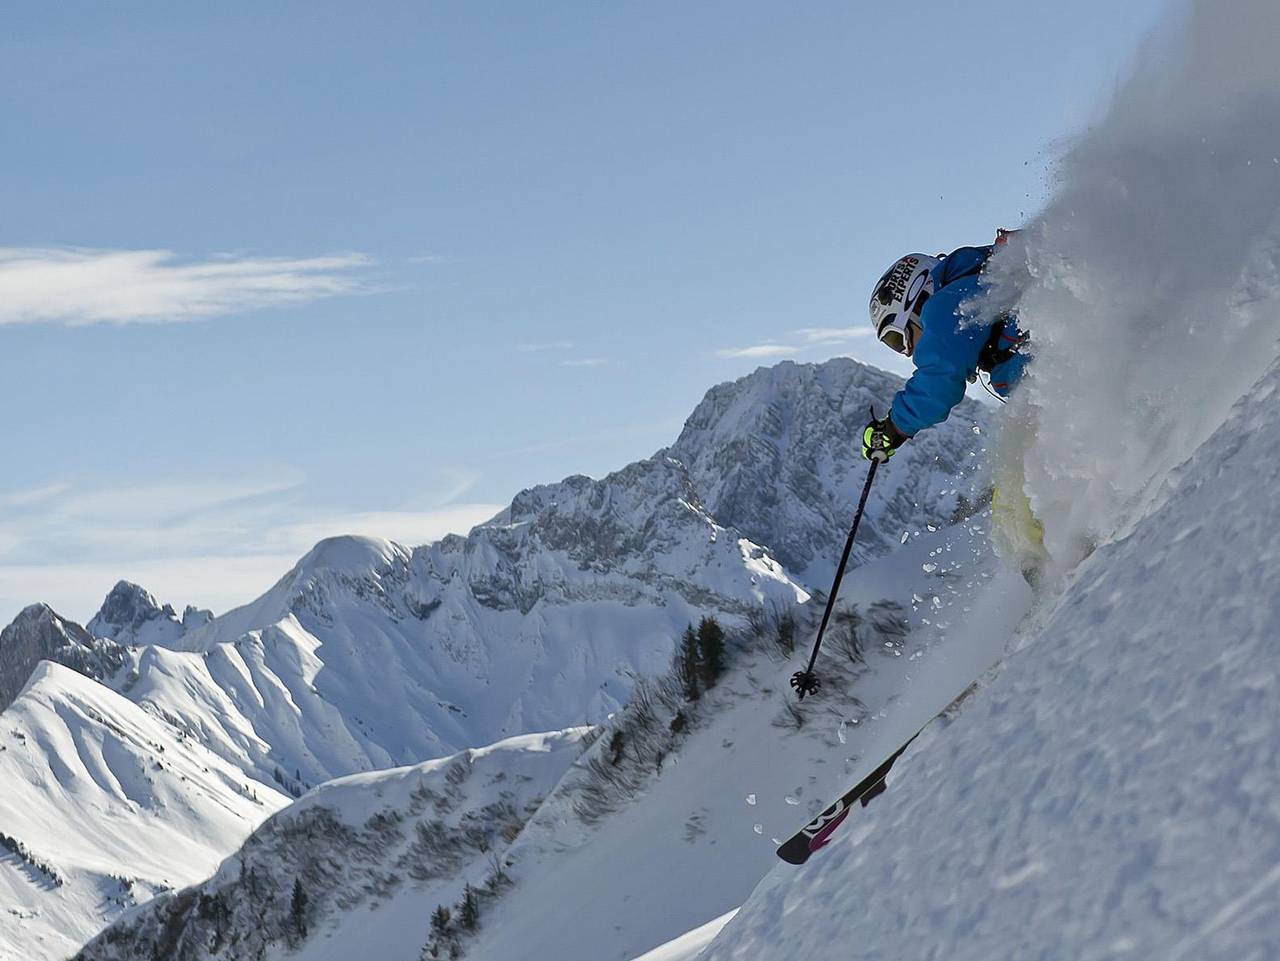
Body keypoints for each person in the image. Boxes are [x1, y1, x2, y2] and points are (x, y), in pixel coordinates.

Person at [861, 230, 1046, 580]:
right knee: (1011, 495)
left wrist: (894, 428)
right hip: (1063, 381)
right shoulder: (980, 280)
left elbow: (940, 380)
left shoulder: (946, 303)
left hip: (1060, 383)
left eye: (898, 338)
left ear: (913, 299)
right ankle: (1059, 555)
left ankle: (1057, 570)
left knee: (1017, 495)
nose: (908, 351)